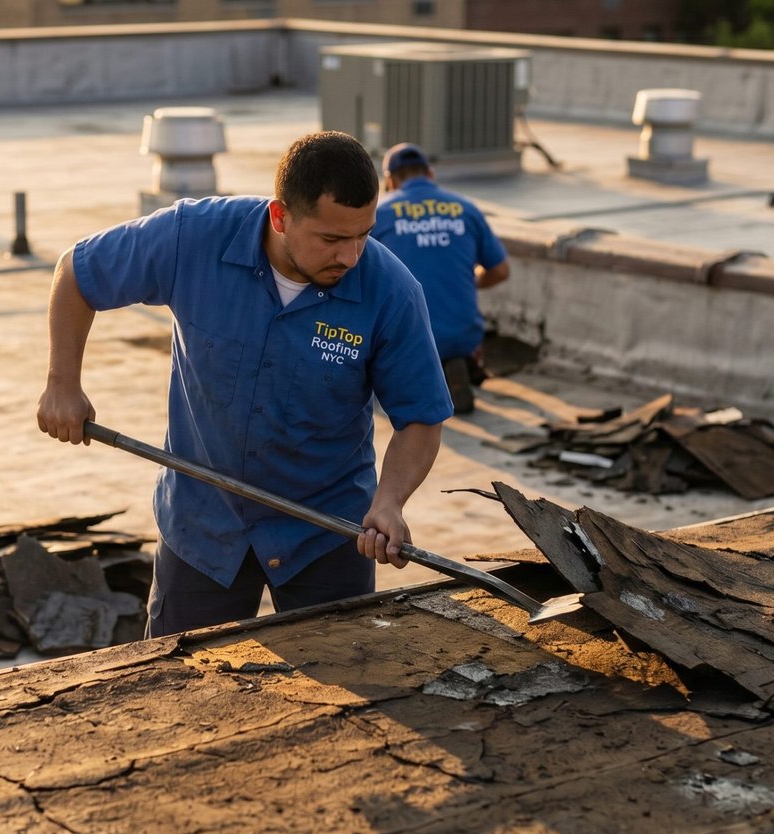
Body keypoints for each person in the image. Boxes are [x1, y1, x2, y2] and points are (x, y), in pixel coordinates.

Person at [36, 131, 454, 637]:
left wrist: (388, 501)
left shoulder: (391, 291)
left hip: (324, 533)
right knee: (175, 687)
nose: (350, 256)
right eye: (331, 239)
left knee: (348, 693)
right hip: (203, 528)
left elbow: (421, 420)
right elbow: (77, 272)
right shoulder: (192, 236)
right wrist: (63, 383)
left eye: (363, 234)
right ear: (280, 216)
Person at [371, 143, 510, 415]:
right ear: (431, 174)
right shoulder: (465, 209)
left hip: (408, 338)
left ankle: (415, 379)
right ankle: (455, 364)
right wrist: (472, 282)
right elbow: (501, 270)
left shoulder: (381, 214)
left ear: (389, 180)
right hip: (463, 335)